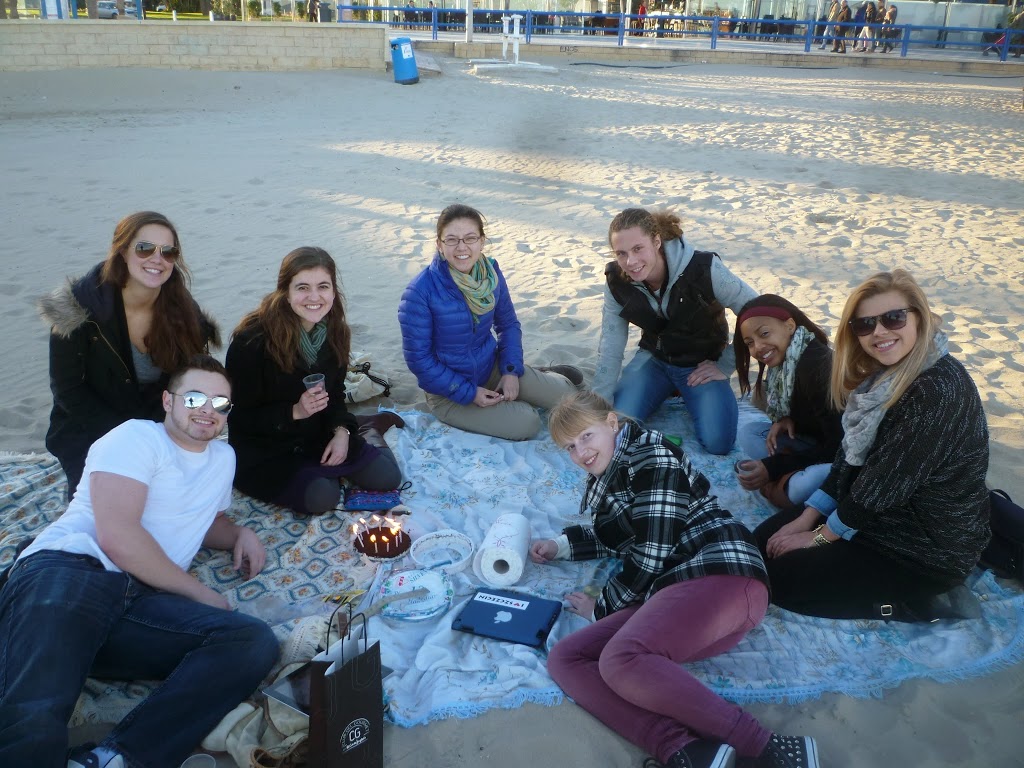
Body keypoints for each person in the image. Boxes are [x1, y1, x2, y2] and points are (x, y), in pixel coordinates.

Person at [0, 356, 278, 768]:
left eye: (220, 403)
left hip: (142, 601)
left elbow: (204, 520)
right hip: (75, 570)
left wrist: (239, 534)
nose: (208, 409)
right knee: (35, 714)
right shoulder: (137, 437)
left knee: (251, 643)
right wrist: (201, 594)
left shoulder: (223, 459)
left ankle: (115, 758)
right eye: (195, 398)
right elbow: (118, 538)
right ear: (168, 401)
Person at [531, 391, 819, 768]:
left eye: (586, 436)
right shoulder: (612, 470)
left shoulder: (651, 456)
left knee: (620, 658)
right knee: (567, 658)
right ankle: (687, 751)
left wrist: (602, 609)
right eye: (570, 446)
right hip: (679, 591)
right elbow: (620, 535)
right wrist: (559, 546)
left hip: (723, 571)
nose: (581, 452)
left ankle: (768, 748)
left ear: (612, 424)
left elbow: (651, 551)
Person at [753, 270, 990, 622]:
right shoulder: (881, 378)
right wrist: (806, 518)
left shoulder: (936, 392)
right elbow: (847, 460)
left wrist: (818, 538)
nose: (879, 332)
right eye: (865, 324)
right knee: (760, 545)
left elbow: (880, 489)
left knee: (777, 580)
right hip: (877, 516)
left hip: (923, 548)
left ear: (919, 318)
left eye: (893, 318)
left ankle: (916, 603)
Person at [38, 211, 219, 499]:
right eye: (145, 248)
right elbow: (67, 390)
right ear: (122, 251)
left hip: (158, 424)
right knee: (109, 504)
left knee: (179, 499)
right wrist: (129, 439)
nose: (157, 259)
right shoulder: (78, 310)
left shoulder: (183, 310)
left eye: (168, 252)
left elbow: (193, 377)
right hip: (91, 429)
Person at [226, 247, 403, 517]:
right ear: (285, 292)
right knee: (322, 498)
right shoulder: (251, 342)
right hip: (267, 448)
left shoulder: (335, 332)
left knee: (387, 478)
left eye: (323, 286)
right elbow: (239, 418)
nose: (314, 297)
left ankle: (367, 427)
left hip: (318, 434)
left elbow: (336, 395)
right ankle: (342, 449)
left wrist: (342, 432)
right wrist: (294, 412)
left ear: (333, 291)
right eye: (302, 288)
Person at [398, 203, 583, 441]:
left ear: (482, 241)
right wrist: (469, 393)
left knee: (568, 397)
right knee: (527, 423)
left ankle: (543, 376)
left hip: (491, 367)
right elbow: (419, 360)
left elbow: (508, 325)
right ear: (439, 245)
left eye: (470, 238)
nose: (462, 247)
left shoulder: (491, 273)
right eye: (452, 240)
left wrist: (510, 371)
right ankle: (531, 384)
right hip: (449, 392)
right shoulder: (419, 292)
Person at [592, 207, 757, 456]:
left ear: (657, 241)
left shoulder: (704, 268)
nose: (631, 262)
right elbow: (611, 344)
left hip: (701, 365)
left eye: (638, 249)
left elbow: (756, 312)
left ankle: (682, 391)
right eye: (621, 253)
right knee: (618, 428)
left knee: (718, 443)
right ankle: (666, 389)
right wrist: (601, 403)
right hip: (654, 359)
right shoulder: (616, 280)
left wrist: (725, 365)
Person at [734, 295, 842, 508]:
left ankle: (781, 483)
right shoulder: (784, 363)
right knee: (749, 433)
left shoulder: (817, 364)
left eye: (764, 333)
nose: (758, 347)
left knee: (803, 485)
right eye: (750, 343)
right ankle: (787, 476)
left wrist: (774, 467)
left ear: (790, 325)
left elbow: (839, 445)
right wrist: (785, 419)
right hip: (814, 442)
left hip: (841, 452)